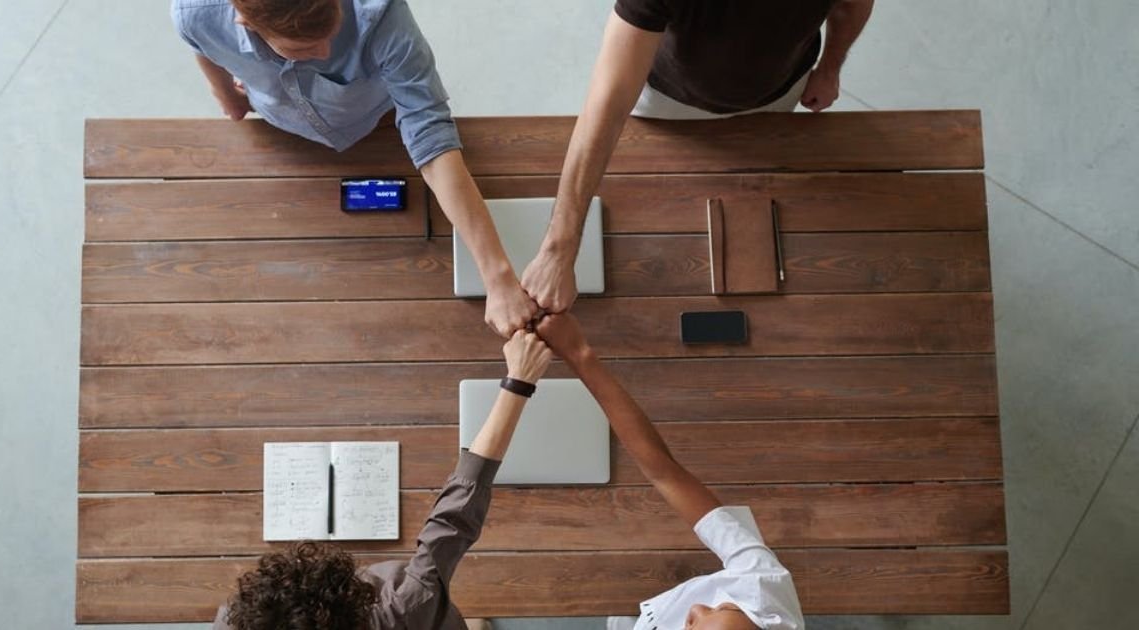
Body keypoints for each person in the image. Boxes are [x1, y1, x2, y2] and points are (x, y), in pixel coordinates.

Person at [171, 0, 538, 337]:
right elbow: (198, 41)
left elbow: (429, 132)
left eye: (332, 32)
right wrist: (226, 96)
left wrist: (498, 278)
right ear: (245, 22)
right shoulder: (194, 13)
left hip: (374, 118)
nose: (325, 53)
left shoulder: (382, 14)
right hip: (283, 135)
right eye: (302, 49)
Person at [521, 0, 875, 314]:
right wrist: (558, 249)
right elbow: (608, 105)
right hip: (666, 100)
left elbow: (853, 5)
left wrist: (830, 68)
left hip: (780, 91)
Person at [212, 331, 553, 629]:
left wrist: (519, 381)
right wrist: (518, 381)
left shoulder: (236, 620)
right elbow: (453, 520)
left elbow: (455, 518)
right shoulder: (405, 608)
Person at [536, 313, 804, 630]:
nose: (697, 609)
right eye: (719, 609)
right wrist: (579, 354)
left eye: (689, 626)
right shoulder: (760, 582)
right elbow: (663, 471)